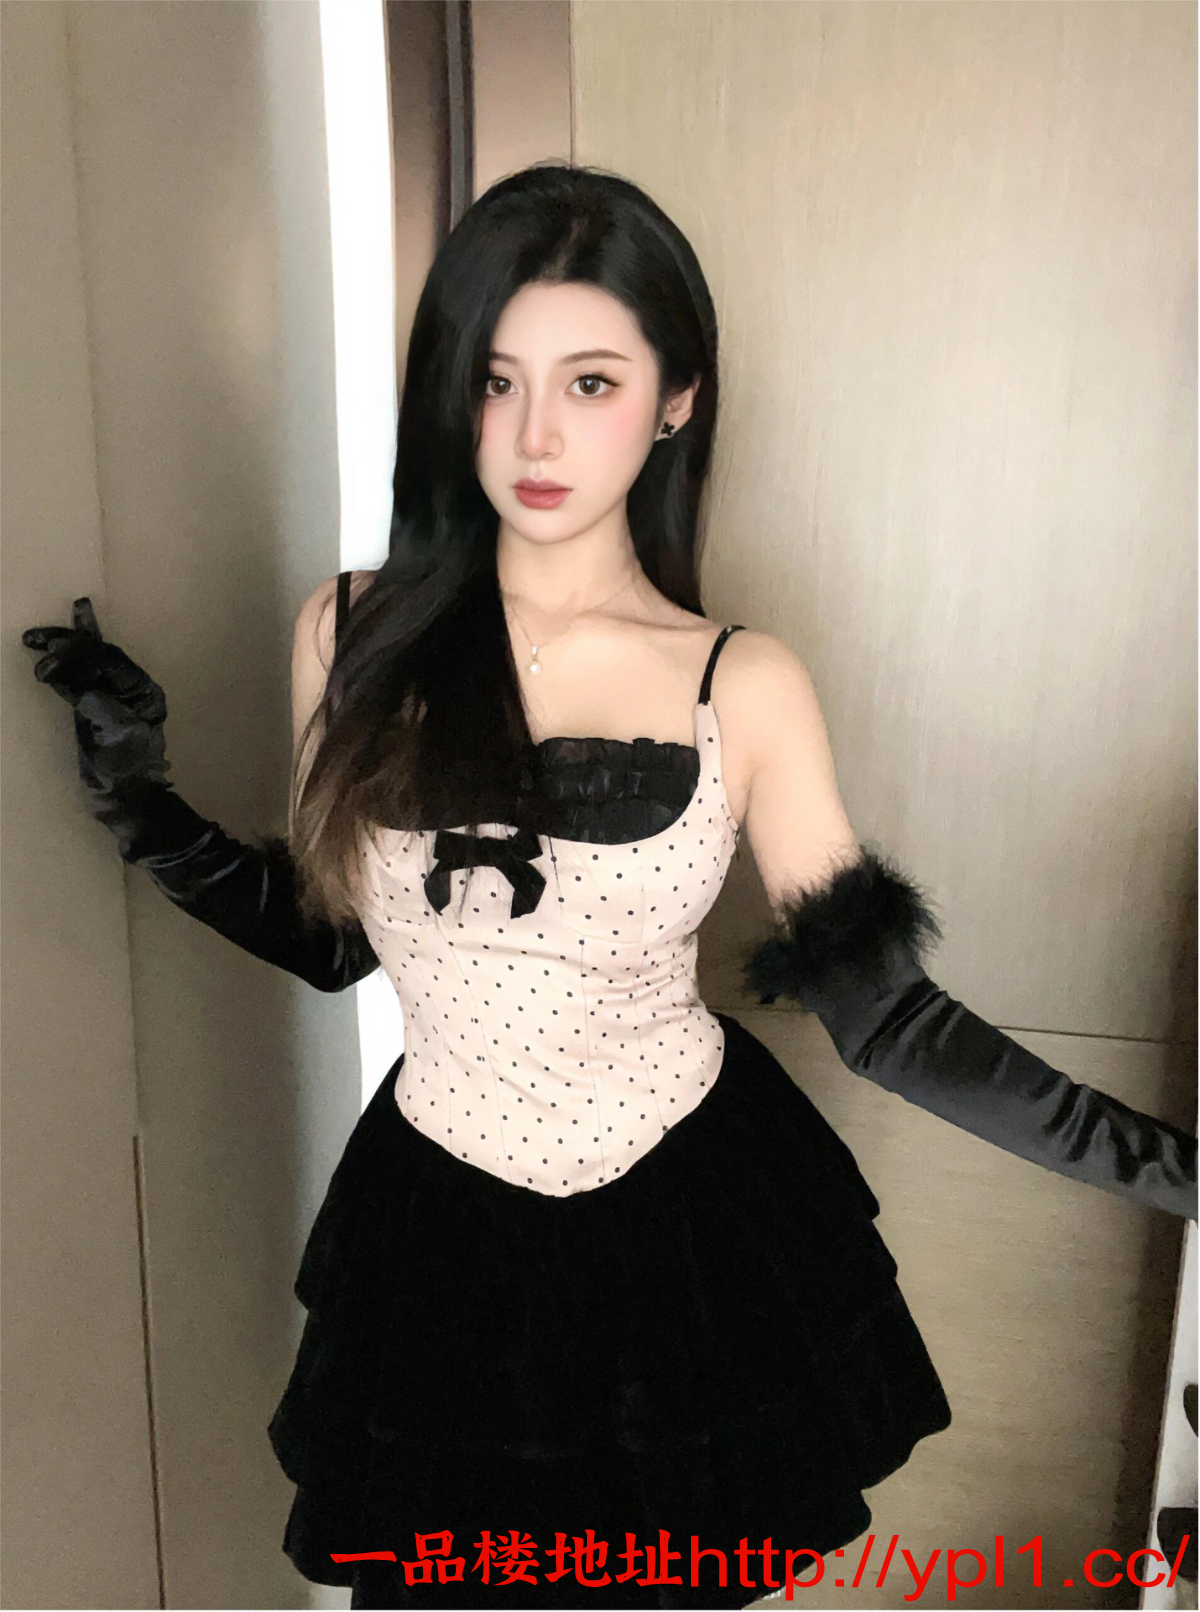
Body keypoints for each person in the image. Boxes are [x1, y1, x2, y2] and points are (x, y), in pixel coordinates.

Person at [22, 162, 1196, 1610]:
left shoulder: (742, 684)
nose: (535, 435)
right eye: (495, 379)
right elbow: (338, 942)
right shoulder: (350, 632)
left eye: (590, 382)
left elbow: (890, 1022)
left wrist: (1177, 1172)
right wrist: (136, 799)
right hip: (441, 1233)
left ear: (674, 399)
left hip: (681, 1231)